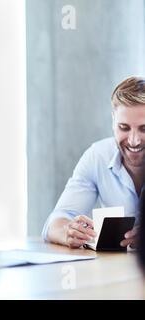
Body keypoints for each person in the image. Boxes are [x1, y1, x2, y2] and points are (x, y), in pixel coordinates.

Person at [42, 76, 145, 248]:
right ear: (113, 120)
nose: (133, 141)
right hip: (116, 269)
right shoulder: (97, 156)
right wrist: (68, 230)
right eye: (124, 128)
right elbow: (56, 221)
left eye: (144, 128)